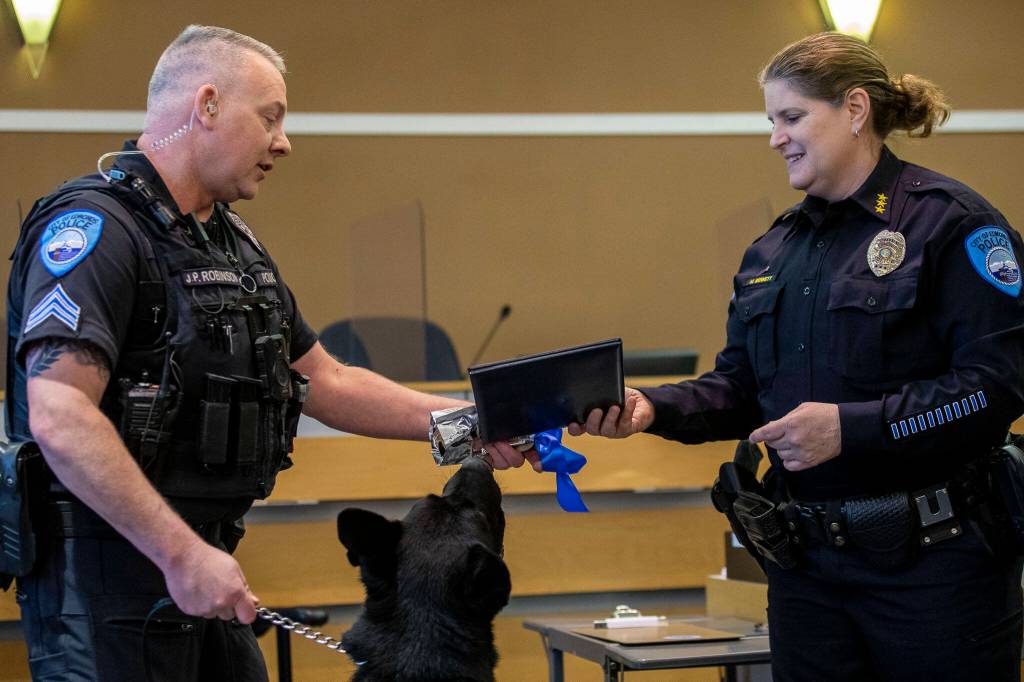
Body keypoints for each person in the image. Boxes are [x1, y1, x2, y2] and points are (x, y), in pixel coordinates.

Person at [4, 25, 536, 681]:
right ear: (206, 105)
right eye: (271, 118)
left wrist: (471, 427)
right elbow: (58, 413)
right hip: (107, 587)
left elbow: (324, 380)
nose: (284, 143)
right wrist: (179, 555)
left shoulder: (232, 245)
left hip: (205, 568)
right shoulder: (96, 231)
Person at [571, 32, 1024, 682]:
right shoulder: (772, 253)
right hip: (806, 573)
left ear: (855, 109)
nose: (775, 138)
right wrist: (651, 407)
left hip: (936, 572)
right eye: (770, 121)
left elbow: (995, 388)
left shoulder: (950, 224)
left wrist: (852, 428)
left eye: (791, 117)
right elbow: (740, 388)